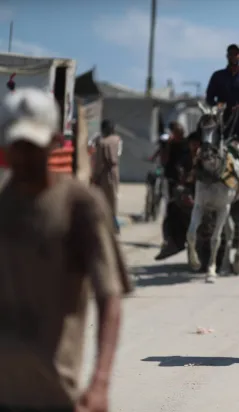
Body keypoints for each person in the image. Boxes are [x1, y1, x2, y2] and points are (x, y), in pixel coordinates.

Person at [0, 88, 130, 411]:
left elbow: (109, 296)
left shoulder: (80, 206)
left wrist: (100, 383)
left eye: (33, 146)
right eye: (17, 146)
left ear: (56, 142)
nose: (24, 157)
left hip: (56, 394)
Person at [155, 122, 192, 260]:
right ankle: (170, 241)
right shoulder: (169, 144)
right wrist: (167, 146)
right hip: (172, 182)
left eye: (180, 132)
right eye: (176, 132)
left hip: (187, 183)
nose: (179, 134)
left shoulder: (187, 144)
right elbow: (164, 161)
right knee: (171, 210)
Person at [206, 44, 239, 139]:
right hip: (220, 123)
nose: (233, 56)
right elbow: (209, 98)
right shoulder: (217, 76)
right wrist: (217, 105)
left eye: (236, 54)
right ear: (227, 56)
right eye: (231, 54)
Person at [91, 119, 121, 233]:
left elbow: (99, 162)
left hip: (105, 173)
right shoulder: (117, 140)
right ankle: (113, 223)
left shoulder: (102, 143)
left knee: (103, 199)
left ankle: (108, 224)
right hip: (115, 171)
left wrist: (94, 176)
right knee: (113, 198)